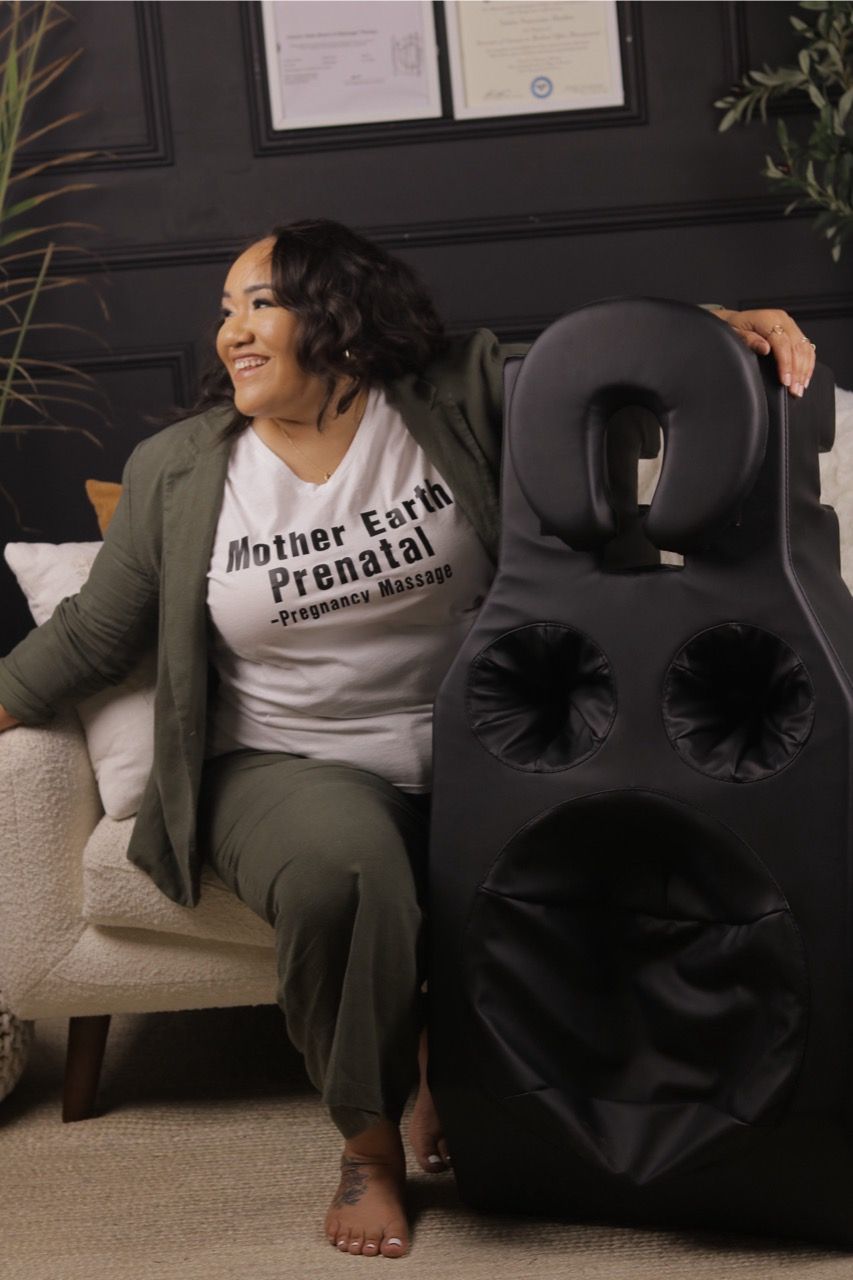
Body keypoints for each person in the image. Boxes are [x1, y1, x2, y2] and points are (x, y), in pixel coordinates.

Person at [0, 220, 816, 1259]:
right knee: (348, 873)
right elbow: (93, 635)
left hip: (484, 750)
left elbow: (590, 370)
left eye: (260, 302)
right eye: (223, 311)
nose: (230, 333)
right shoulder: (182, 469)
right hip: (287, 763)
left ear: (338, 313)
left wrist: (716, 333)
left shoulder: (447, 396)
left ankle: (471, 1065)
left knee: (637, 831)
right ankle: (368, 1144)